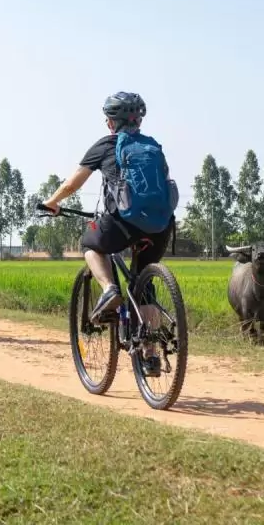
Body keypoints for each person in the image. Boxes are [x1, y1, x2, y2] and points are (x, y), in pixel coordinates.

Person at [42, 91, 177, 377]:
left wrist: (52, 202)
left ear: (110, 123)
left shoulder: (106, 145)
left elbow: (72, 184)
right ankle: (151, 355)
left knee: (90, 243)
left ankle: (108, 290)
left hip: (124, 223)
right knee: (144, 284)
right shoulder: (154, 148)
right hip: (161, 225)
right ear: (138, 120)